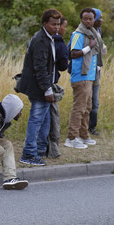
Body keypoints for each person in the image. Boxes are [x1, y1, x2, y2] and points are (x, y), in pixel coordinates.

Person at [17, 9, 61, 166]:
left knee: (45, 118)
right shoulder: (41, 39)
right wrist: (47, 90)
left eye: (58, 24)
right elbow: (40, 67)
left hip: (41, 85)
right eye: (52, 24)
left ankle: (41, 149)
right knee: (36, 119)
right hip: (39, 87)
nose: (56, 27)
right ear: (44, 24)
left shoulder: (48, 37)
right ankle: (28, 153)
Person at [64, 8, 104, 149]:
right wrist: (89, 47)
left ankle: (83, 135)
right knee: (79, 108)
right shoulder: (78, 34)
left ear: (94, 20)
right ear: (81, 19)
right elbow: (73, 54)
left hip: (90, 76)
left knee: (87, 108)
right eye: (85, 19)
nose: (88, 21)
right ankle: (71, 138)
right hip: (80, 76)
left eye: (90, 19)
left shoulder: (93, 34)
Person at [47, 16, 69, 159]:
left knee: (40, 118)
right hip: (49, 84)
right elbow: (63, 65)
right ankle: (52, 149)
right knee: (52, 117)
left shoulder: (39, 38)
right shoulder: (59, 42)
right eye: (62, 25)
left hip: (36, 84)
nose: (62, 28)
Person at [88, 8, 106, 136]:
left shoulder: (98, 32)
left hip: (96, 72)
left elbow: (103, 51)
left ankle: (91, 128)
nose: (102, 20)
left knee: (95, 102)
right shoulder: (85, 33)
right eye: (99, 18)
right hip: (87, 72)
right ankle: (81, 129)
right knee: (85, 101)